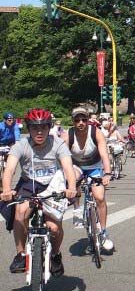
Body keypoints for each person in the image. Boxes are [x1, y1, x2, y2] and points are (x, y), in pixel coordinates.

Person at [1, 108, 78, 275]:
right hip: (29, 184)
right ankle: (20, 254)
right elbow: (9, 170)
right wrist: (6, 190)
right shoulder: (21, 145)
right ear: (29, 129)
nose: (39, 131)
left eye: (43, 127)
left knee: (54, 228)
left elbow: (68, 168)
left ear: (49, 127)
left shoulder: (58, 143)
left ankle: (56, 255)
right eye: (35, 128)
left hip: (53, 185)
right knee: (20, 211)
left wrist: (71, 187)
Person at [62, 107, 115, 251]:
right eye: (77, 120)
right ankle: (77, 209)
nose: (80, 123)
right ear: (72, 121)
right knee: (73, 177)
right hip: (77, 166)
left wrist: (107, 173)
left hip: (94, 166)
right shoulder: (68, 135)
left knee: (99, 197)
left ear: (88, 121)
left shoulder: (95, 133)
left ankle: (103, 232)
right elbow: (63, 158)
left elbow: (104, 154)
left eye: (84, 120)